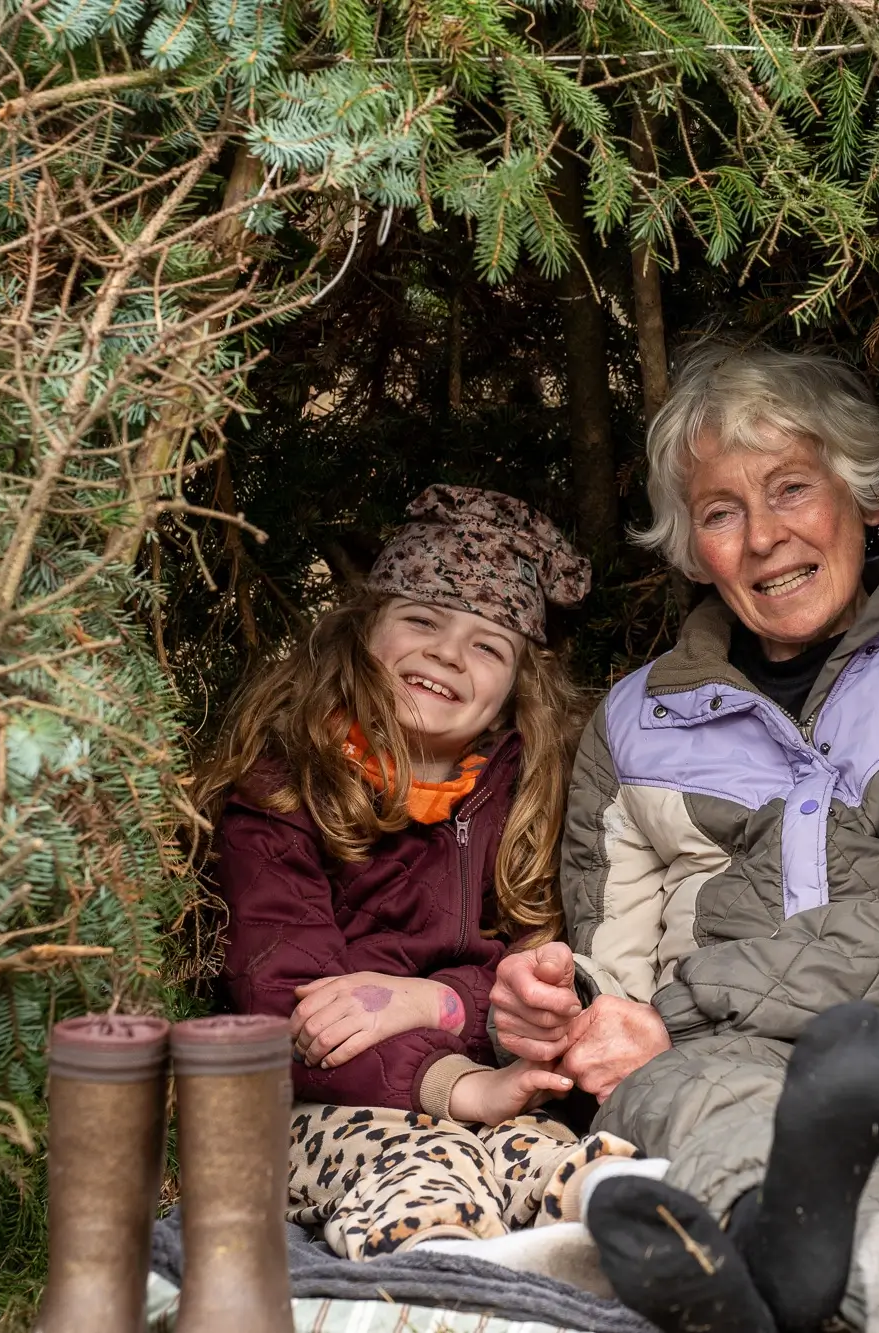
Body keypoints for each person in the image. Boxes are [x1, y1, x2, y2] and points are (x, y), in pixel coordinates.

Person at [488, 343, 879, 1332]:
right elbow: (614, 984)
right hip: (715, 1061)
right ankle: (808, 1257)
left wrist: (693, 1000)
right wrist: (560, 1010)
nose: (761, 538)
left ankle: (763, 1286)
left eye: (791, 488)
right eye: (719, 511)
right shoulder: (632, 723)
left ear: (864, 495)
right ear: (690, 544)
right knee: (716, 1124)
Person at [196, 485, 639, 1260]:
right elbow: (291, 1009)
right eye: (422, 619)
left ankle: (636, 1245)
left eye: (487, 644)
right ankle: (444, 1282)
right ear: (365, 629)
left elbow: (537, 982)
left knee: (556, 1159)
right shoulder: (282, 787)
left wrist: (429, 1000)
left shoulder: (525, 797)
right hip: (318, 1110)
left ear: (514, 694)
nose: (445, 653)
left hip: (492, 1096)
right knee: (427, 1169)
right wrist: (453, 1085)